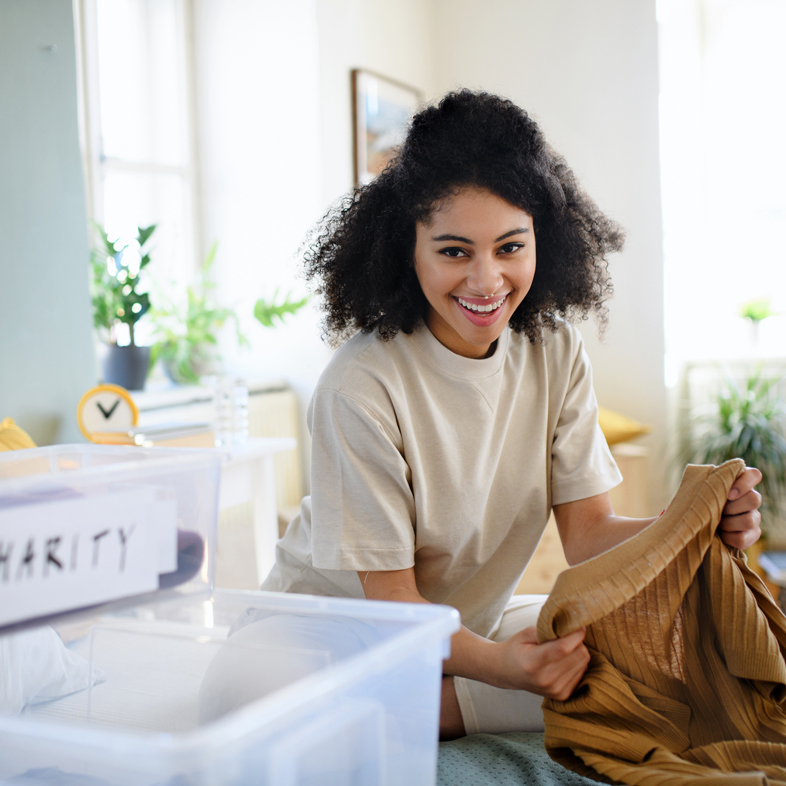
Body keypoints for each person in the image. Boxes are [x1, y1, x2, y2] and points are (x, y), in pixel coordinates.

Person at [256, 90, 763, 738]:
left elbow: (589, 535)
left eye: (509, 247)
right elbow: (394, 610)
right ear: (405, 248)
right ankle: (434, 708)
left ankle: (443, 704)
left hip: (466, 629)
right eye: (454, 251)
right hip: (331, 644)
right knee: (592, 686)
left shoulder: (554, 351)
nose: (486, 280)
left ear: (541, 242)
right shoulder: (358, 388)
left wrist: (692, 524)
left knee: (669, 656)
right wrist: (502, 668)